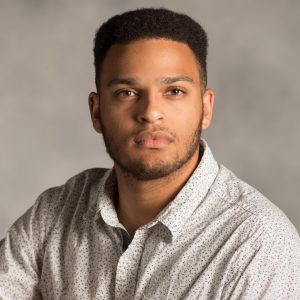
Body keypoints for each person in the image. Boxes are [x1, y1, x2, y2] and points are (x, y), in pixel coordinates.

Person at [0, 7, 300, 300]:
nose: (151, 113)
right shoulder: (54, 214)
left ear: (206, 109)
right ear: (96, 112)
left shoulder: (258, 244)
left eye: (174, 91)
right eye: (126, 93)